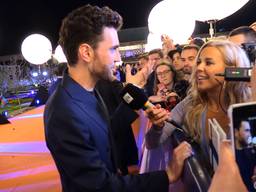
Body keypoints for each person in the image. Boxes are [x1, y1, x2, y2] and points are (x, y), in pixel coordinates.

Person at [44, 4, 192, 192]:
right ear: (86, 52)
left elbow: (105, 131)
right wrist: (167, 175)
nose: (118, 58)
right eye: (113, 49)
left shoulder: (87, 90)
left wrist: (155, 124)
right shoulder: (64, 112)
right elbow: (100, 186)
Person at [145, 40, 251, 170]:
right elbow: (151, 143)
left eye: (209, 63)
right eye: (199, 62)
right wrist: (157, 127)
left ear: (233, 69)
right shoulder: (191, 102)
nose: (199, 68)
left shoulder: (249, 102)